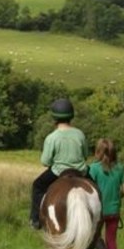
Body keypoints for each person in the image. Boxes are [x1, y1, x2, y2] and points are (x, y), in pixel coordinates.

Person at [29, 98, 90, 230]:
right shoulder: (80, 134)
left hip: (58, 173)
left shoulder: (52, 137)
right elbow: (85, 155)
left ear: (54, 117)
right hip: (80, 172)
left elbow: (45, 161)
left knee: (37, 185)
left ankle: (35, 220)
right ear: (71, 116)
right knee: (97, 188)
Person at [87, 138, 124, 249]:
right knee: (111, 239)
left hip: (98, 211)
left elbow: (88, 188)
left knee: (95, 236)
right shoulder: (120, 168)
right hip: (114, 210)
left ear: (98, 151)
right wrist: (116, 198)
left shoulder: (94, 168)